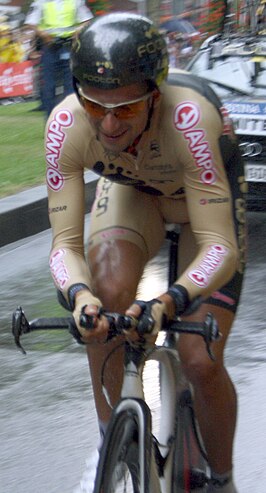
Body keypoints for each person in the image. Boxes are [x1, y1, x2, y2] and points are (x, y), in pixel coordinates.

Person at [45, 13, 247, 493]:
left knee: (199, 358)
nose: (110, 124)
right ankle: (111, 441)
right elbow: (65, 246)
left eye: (128, 109)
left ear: (155, 94)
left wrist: (168, 301)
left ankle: (222, 478)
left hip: (205, 208)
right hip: (136, 196)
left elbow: (221, 245)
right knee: (104, 295)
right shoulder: (65, 125)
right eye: (95, 106)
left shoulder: (189, 117)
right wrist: (79, 297)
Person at [24, 0, 93, 117]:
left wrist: (78, 30)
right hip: (50, 47)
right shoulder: (41, 2)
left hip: (69, 45)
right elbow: (31, 22)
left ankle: (71, 120)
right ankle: (51, 122)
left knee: (71, 87)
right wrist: (43, 34)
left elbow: (87, 20)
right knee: (48, 87)